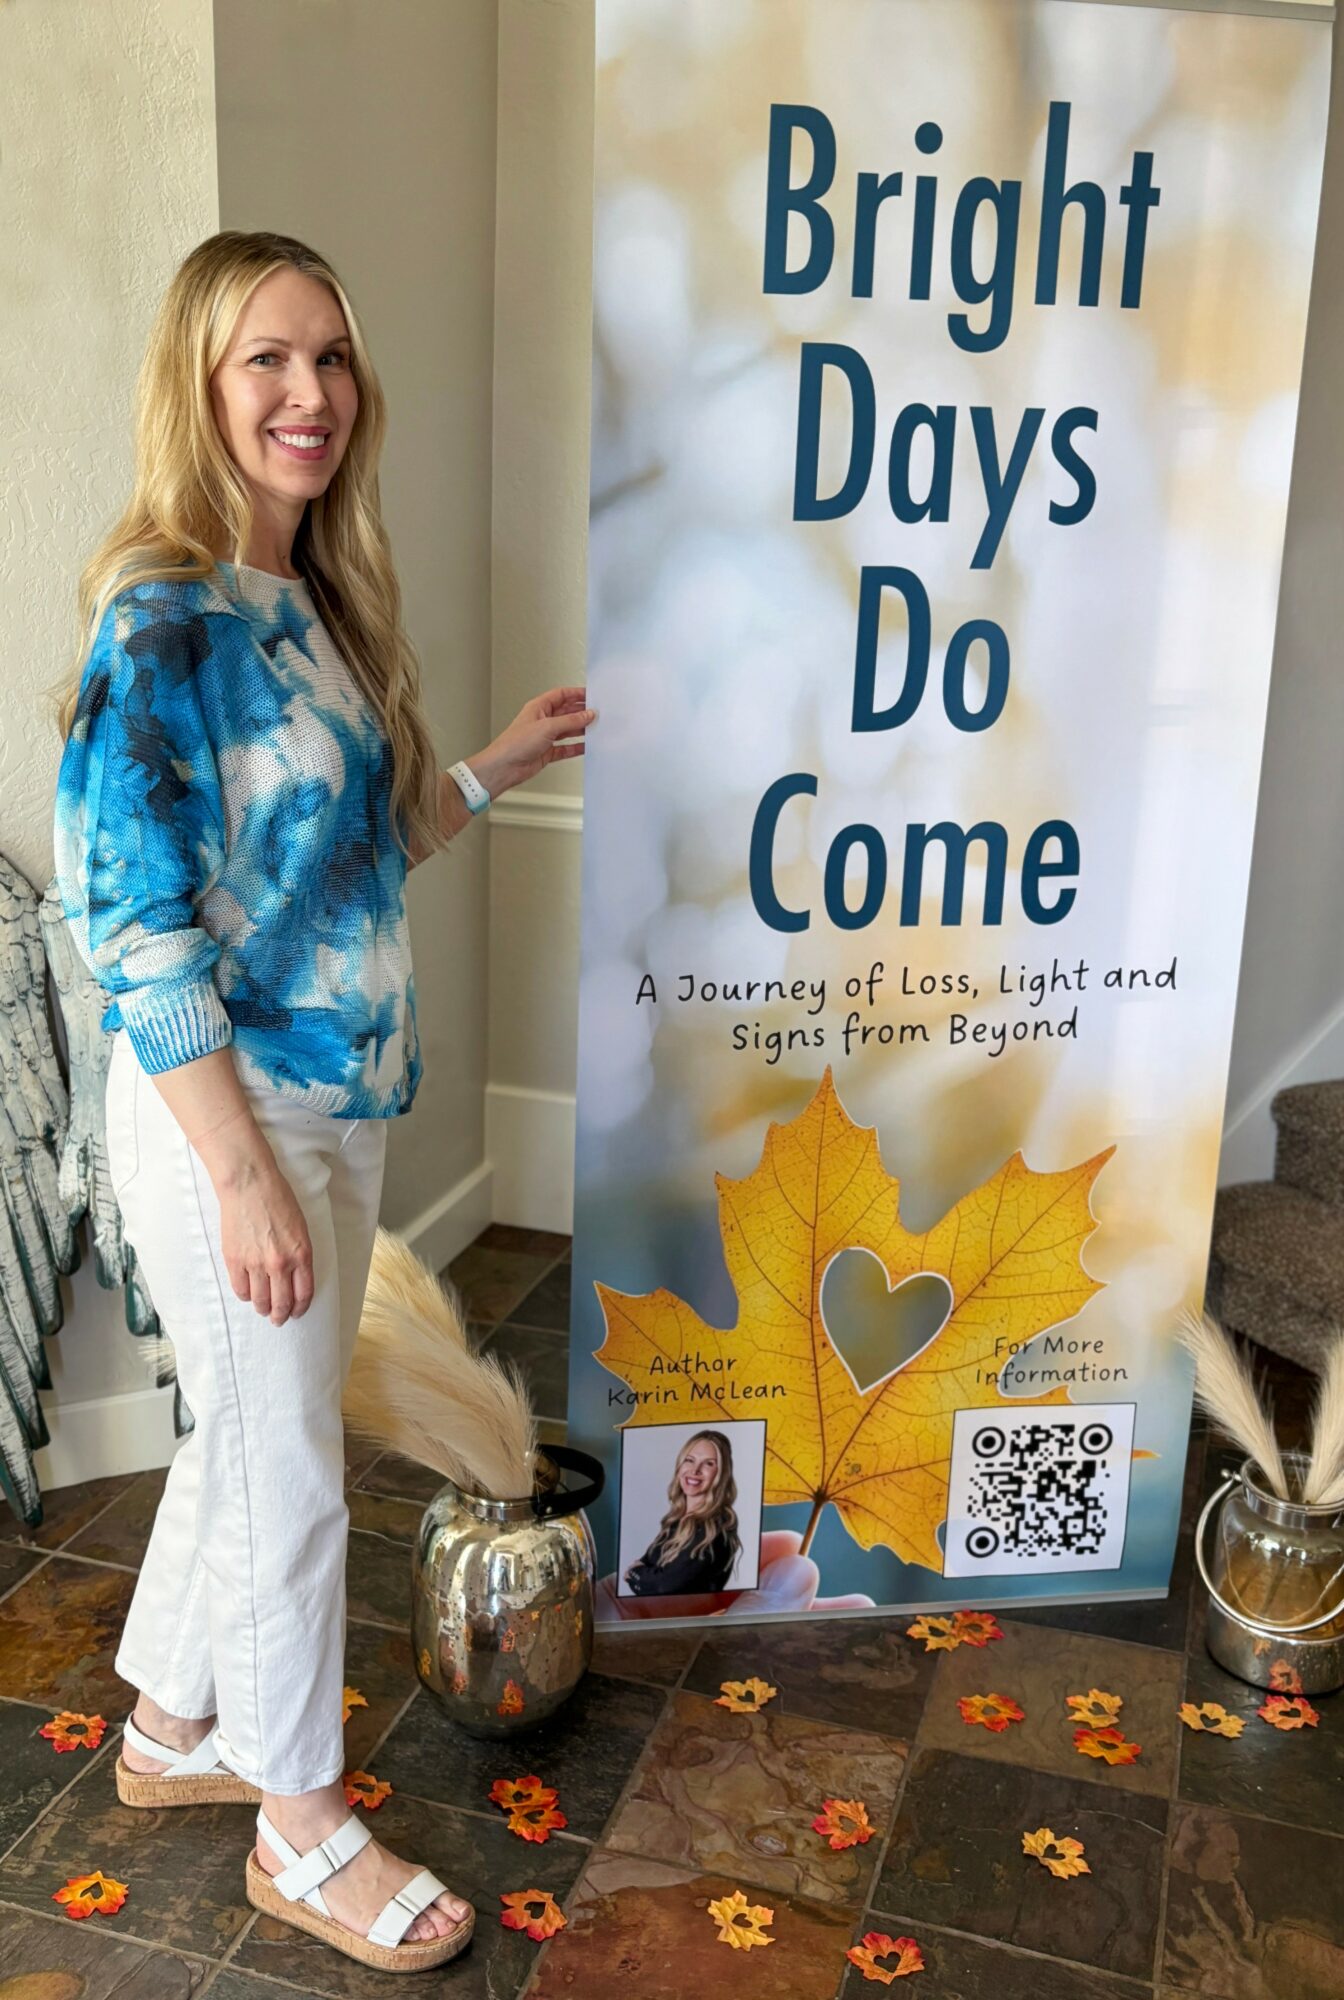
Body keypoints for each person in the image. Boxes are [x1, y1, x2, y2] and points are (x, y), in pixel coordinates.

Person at [50, 230, 596, 1974]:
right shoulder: (163, 621)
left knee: (242, 1430)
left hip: (335, 1106)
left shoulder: (312, 601)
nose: (309, 393)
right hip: (228, 1116)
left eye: (331, 358)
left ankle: (171, 1728)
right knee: (287, 1466)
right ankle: (299, 1825)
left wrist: (491, 769)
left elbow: (342, 859)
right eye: (267, 360)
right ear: (201, 386)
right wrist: (237, 1174)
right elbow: (136, 934)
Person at [622, 1430, 743, 1597]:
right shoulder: (676, 1520)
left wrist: (636, 1574)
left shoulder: (715, 1527)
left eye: (708, 1464)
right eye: (689, 1460)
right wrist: (642, 1575)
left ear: (721, 1473)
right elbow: (645, 1563)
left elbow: (665, 1587)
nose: (695, 1470)